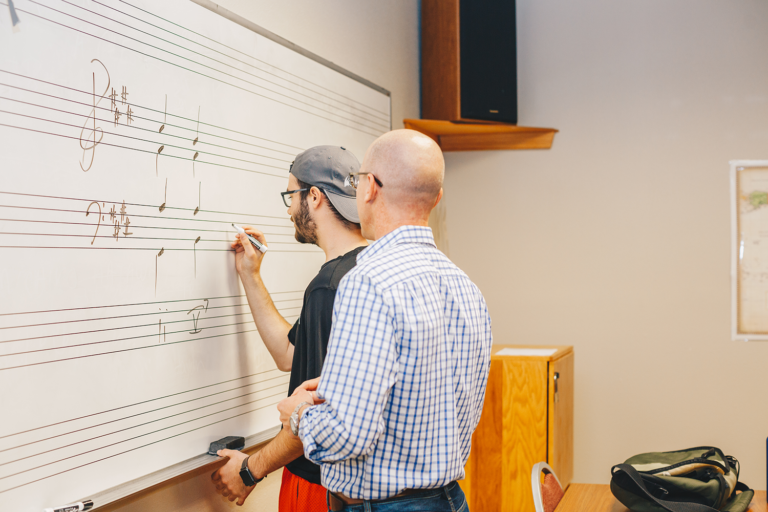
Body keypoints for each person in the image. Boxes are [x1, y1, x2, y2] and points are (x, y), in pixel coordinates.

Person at [277, 129, 493, 511]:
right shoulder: (466, 287)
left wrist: (298, 415)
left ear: (369, 188)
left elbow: (348, 435)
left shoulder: (367, 282)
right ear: (437, 198)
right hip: (449, 501)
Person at [211, 146, 368, 510]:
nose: (288, 209)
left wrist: (249, 470)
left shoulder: (328, 286)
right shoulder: (363, 269)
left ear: (313, 197)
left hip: (320, 485)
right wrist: (250, 275)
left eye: (291, 196)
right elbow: (289, 354)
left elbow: (311, 416)